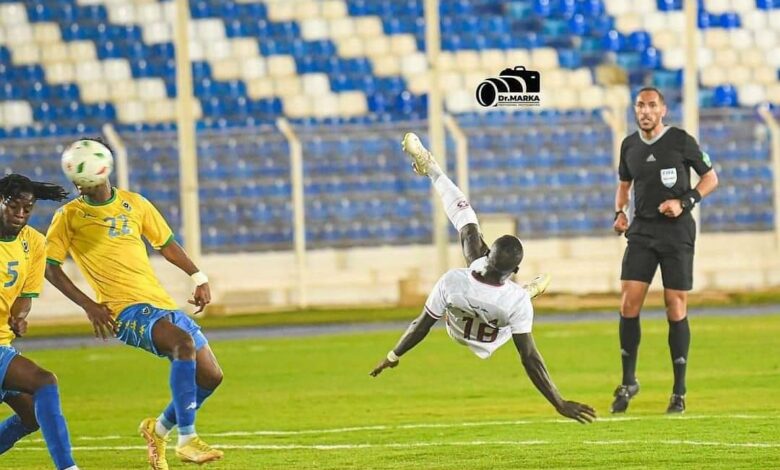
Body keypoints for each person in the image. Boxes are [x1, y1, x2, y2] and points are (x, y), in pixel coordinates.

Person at [369, 133, 596, 424]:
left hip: (457, 326)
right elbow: (530, 358)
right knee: (517, 301)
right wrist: (558, 402)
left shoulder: (453, 280)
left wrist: (392, 355)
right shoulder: (514, 300)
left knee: (467, 227)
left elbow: (420, 326)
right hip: (493, 335)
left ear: (488, 257)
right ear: (514, 273)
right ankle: (529, 290)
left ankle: (433, 169)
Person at [44, 139, 224, 469]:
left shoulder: (134, 203)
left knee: (211, 376)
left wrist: (198, 277)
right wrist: (89, 305)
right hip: (124, 310)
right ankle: (188, 440)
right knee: (182, 346)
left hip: (161, 304)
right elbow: (50, 267)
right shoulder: (68, 216)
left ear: (105, 165)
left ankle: (157, 431)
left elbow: (166, 244)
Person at [611, 87, 719, 414]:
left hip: (676, 232)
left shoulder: (680, 141)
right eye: (640, 105)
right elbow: (624, 185)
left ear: (663, 110)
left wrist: (684, 202)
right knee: (629, 302)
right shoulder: (628, 146)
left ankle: (679, 391)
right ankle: (629, 381)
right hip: (642, 231)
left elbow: (710, 178)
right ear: (635, 110)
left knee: (675, 305)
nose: (645, 111)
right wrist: (619, 213)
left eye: (651, 105)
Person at [0, 174, 79, 470]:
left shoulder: (33, 242)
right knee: (44, 382)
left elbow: (26, 294)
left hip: (2, 344)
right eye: (13, 206)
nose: (20, 214)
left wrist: (18, 317)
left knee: (32, 415)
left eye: (27, 208)